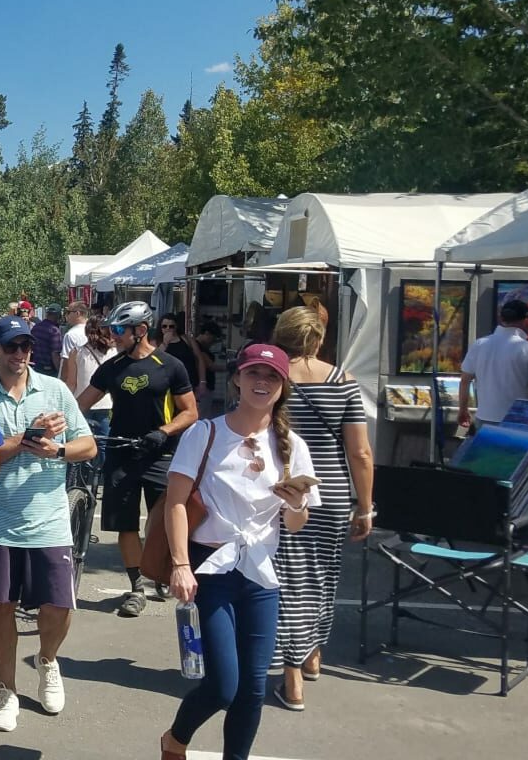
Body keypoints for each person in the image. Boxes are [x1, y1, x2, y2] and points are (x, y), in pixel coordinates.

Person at [159, 343, 320, 760]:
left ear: (283, 386)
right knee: (222, 686)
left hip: (261, 573)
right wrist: (179, 564)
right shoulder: (205, 433)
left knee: (252, 688)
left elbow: (296, 524)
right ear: (237, 378)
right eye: (253, 374)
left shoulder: (291, 446)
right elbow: (176, 502)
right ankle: (176, 738)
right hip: (210, 569)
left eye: (271, 378)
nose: (261, 383)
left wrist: (295, 502)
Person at [0, 315, 96, 731]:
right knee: (1, 607)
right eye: (11, 346)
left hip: (48, 519)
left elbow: (88, 445)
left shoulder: (56, 390)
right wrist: (25, 440)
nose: (20, 354)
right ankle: (6, 689)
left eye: (25, 346)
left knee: (59, 604)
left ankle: (48, 661)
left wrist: (57, 450)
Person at [269, 307, 374, 711]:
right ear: (318, 339)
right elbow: (360, 452)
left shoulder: (271, 378)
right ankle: (311, 653)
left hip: (283, 490)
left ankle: (292, 675)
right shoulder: (343, 382)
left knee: (287, 581)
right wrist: (364, 508)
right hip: (329, 493)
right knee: (321, 576)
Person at [75, 300, 198, 618]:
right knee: (125, 525)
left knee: (165, 522)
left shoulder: (170, 365)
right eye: (111, 330)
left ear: (141, 330)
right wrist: (65, 425)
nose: (113, 336)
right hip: (120, 453)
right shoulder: (112, 368)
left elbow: (191, 412)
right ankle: (136, 588)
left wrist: (164, 431)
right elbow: (81, 404)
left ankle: (162, 568)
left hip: (161, 454)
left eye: (119, 330)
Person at [458, 300, 528, 430]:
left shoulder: (479, 345)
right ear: (527, 321)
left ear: (501, 318)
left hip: (484, 419)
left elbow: (465, 381)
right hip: (518, 420)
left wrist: (463, 410)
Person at [64, 316, 115, 437]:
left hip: (81, 402)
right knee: (104, 441)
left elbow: (71, 382)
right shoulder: (114, 352)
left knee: (81, 438)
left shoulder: (76, 352)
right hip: (106, 403)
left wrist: (67, 404)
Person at [160, 313, 211, 407]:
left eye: (171, 326)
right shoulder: (157, 341)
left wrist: (202, 382)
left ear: (176, 327)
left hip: (188, 382)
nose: (167, 329)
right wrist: (165, 343)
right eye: (164, 326)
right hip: (167, 385)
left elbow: (199, 359)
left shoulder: (187, 339)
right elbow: (154, 359)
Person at [30, 305, 63, 377]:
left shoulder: (36, 328)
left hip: (37, 368)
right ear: (58, 316)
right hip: (50, 371)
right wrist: (60, 373)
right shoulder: (54, 330)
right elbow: (55, 355)